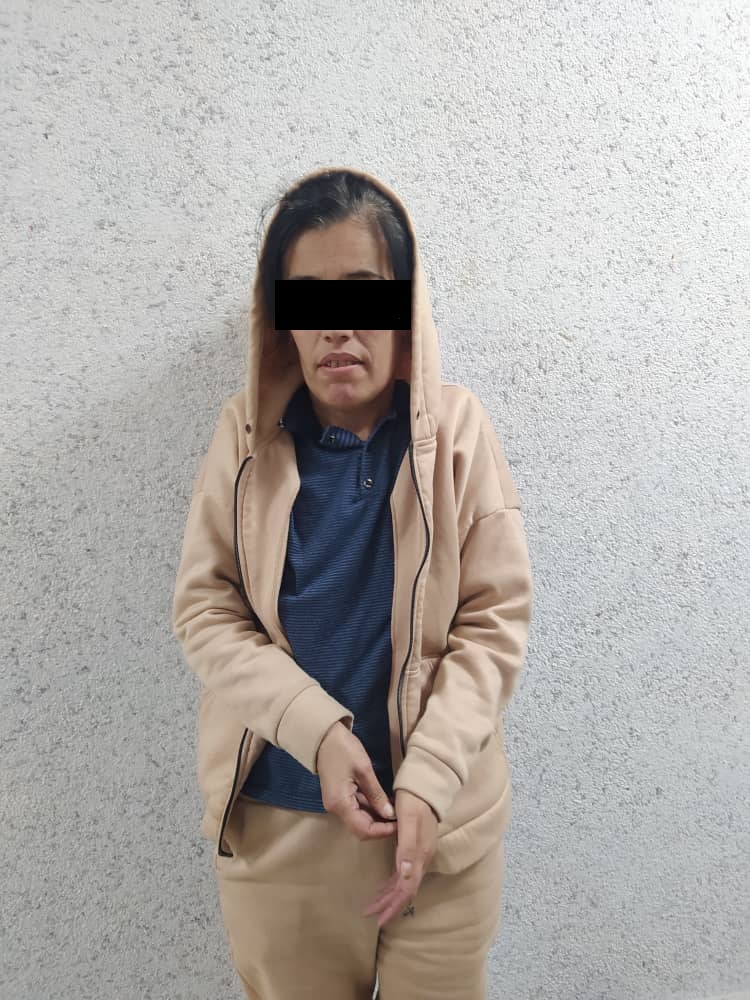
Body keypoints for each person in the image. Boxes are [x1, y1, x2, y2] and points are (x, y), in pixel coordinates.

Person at [171, 166, 533, 1000]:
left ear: (405, 306)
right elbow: (205, 609)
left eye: (364, 294)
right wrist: (322, 734)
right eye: (308, 298)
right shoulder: (244, 436)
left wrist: (430, 780)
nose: (338, 326)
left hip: (441, 835)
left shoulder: (460, 433)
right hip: (283, 835)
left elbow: (494, 623)